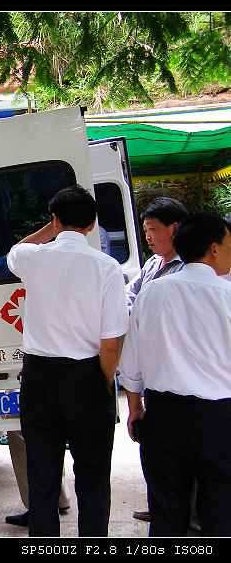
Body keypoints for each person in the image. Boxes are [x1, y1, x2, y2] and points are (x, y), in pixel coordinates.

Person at [6, 186, 128, 537]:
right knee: (93, 476)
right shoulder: (107, 267)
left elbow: (15, 251)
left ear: (55, 219)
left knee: (42, 474)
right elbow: (111, 342)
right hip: (89, 375)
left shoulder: (34, 258)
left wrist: (51, 229)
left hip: (40, 379)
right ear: (92, 225)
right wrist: (102, 381)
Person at [119, 213, 231, 536]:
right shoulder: (226, 296)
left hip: (164, 417)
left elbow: (131, 363)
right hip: (220, 419)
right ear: (213, 249)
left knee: (167, 511)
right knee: (221, 510)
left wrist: (135, 408)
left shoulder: (152, 293)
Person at [124, 197, 188, 523]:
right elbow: (129, 297)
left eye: (152, 229)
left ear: (174, 228)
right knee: (156, 451)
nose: (147, 236)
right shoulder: (152, 264)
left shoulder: (188, 267)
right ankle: (160, 507)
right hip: (151, 372)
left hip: (178, 373)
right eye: (145, 229)